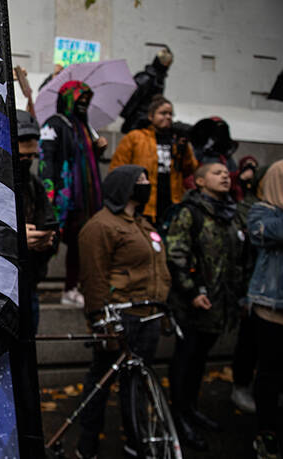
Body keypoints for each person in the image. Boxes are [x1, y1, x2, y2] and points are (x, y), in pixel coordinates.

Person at [75, 165, 171, 458]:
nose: (147, 183)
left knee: (137, 383)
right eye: (140, 180)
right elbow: (94, 277)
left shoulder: (142, 223)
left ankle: (135, 440)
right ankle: (86, 443)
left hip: (148, 316)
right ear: (124, 186)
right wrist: (101, 320)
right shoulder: (101, 225)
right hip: (121, 317)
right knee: (101, 381)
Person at [166, 162, 245, 451]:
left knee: (200, 361)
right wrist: (190, 293)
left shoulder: (232, 215)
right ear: (199, 182)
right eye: (217, 172)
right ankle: (177, 416)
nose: (225, 176)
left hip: (219, 306)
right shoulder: (190, 213)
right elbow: (176, 255)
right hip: (192, 306)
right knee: (185, 360)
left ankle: (191, 409)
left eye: (227, 173)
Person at [38, 80, 107, 307]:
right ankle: (31, 284)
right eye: (80, 100)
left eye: (87, 101)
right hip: (61, 197)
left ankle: (70, 288)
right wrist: (48, 193)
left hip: (84, 199)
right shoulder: (55, 124)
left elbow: (86, 164)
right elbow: (45, 159)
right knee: (48, 244)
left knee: (79, 244)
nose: (84, 105)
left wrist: (97, 150)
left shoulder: (85, 128)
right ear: (68, 100)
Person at [110, 95, 198, 225]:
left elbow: (190, 169)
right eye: (163, 113)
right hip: (143, 203)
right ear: (151, 117)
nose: (168, 117)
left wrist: (184, 148)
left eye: (170, 114)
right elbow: (117, 168)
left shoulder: (176, 141)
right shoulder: (135, 137)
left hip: (171, 203)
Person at [246, 160, 283, 459]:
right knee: (270, 372)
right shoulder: (263, 211)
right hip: (272, 310)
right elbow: (265, 233)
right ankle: (266, 432)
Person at [16, 109, 57, 332]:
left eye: (32, 156)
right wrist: (18, 238)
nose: (27, 161)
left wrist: (47, 240)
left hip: (28, 285)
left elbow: (50, 222)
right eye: (22, 156)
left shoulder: (34, 185)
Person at [230, 155, 261, 414]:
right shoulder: (250, 211)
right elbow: (241, 257)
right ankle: (241, 385)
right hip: (253, 287)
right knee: (249, 340)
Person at [120, 46, 173, 134]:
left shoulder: (159, 79)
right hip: (137, 122)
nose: (166, 66)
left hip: (150, 121)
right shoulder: (145, 78)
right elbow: (133, 100)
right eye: (165, 63)